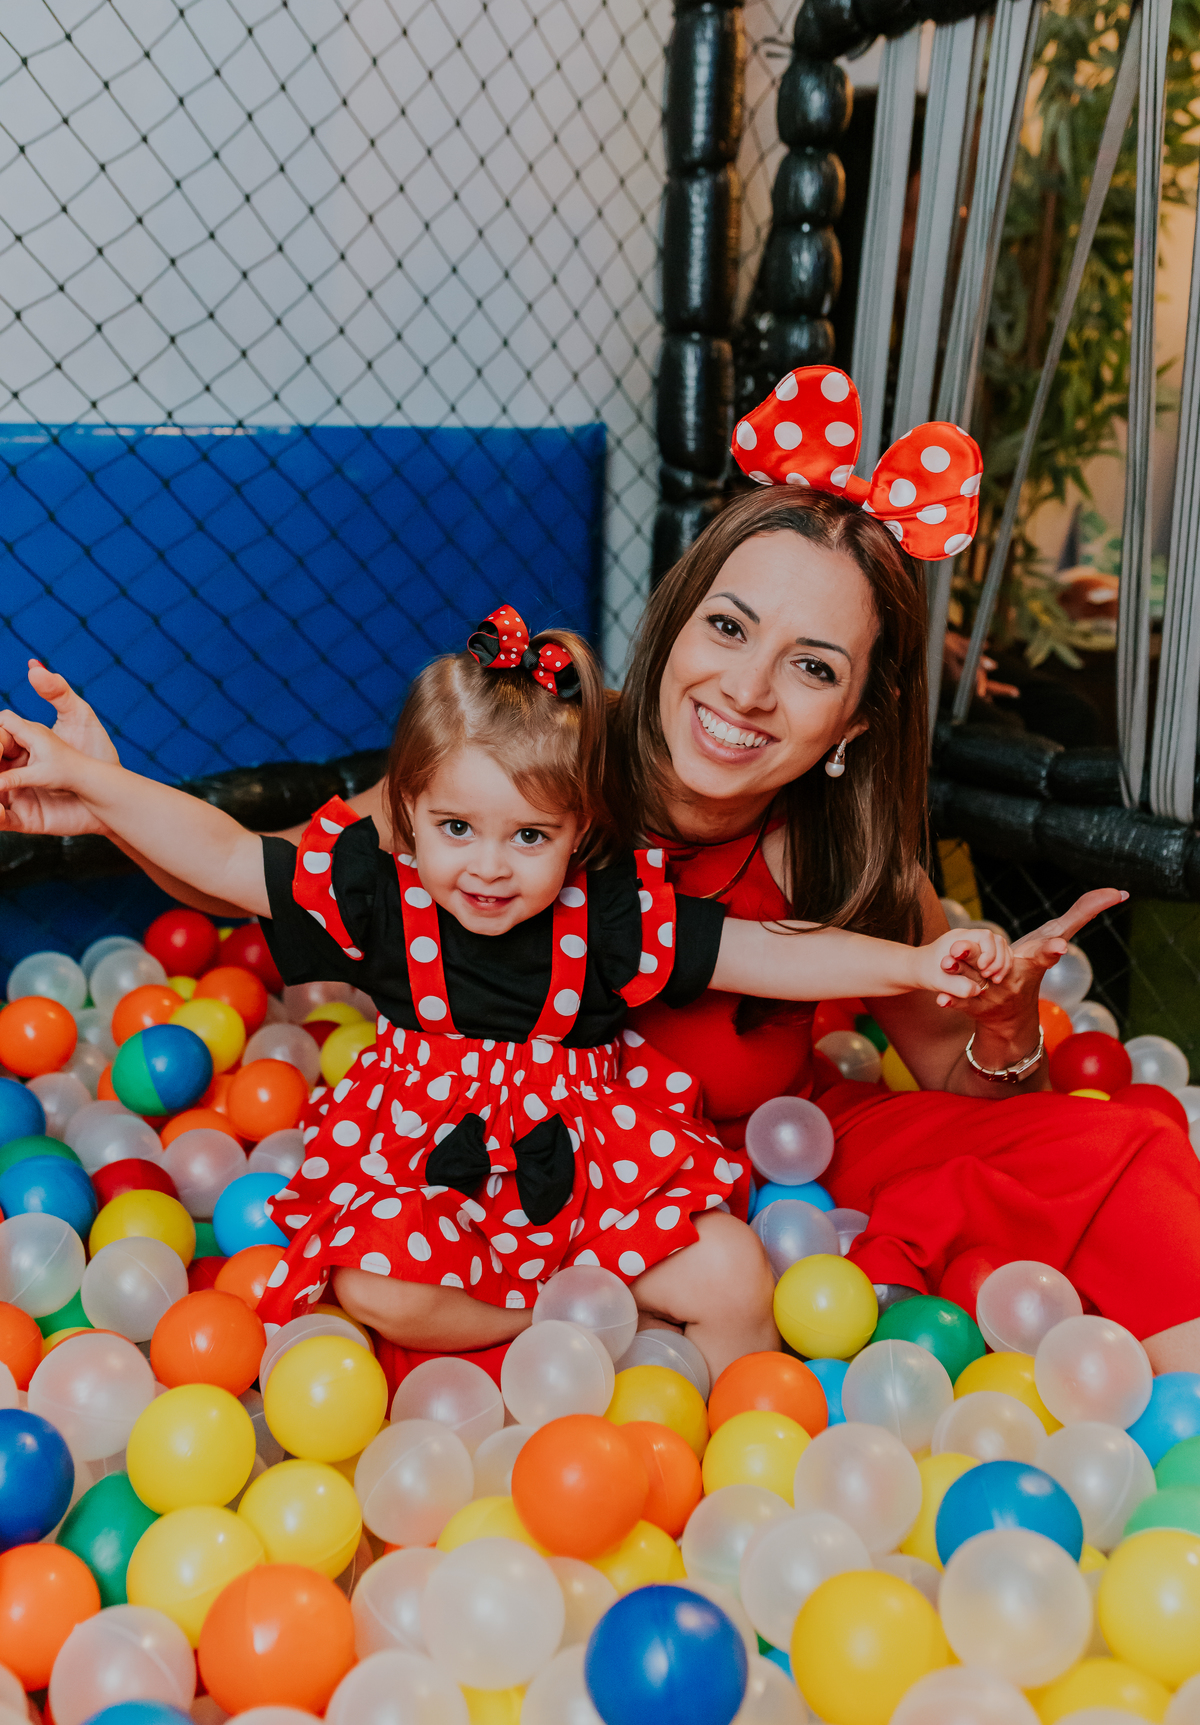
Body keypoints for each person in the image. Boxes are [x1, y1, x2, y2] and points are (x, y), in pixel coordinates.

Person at [9, 362, 1197, 1371]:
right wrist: (111, 801)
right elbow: (258, 870)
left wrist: (1001, 1017)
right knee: (383, 1297)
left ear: (854, 724)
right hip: (506, 1169)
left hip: (745, 1172)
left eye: (812, 667)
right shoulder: (537, 756)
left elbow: (980, 1107)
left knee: (1119, 1157)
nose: (745, 689)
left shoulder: (856, 870)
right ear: (675, 622)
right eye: (728, 629)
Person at [0, 606, 1009, 1377]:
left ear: (580, 831)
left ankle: (739, 1456)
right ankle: (568, 1319)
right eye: (456, 830)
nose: (489, 867)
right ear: (408, 812)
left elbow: (770, 951)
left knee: (738, 1274)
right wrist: (95, 785)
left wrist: (915, 964)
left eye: (530, 836)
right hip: (438, 1171)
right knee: (372, 1281)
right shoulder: (379, 899)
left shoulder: (609, 916)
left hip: (591, 1173)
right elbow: (222, 852)